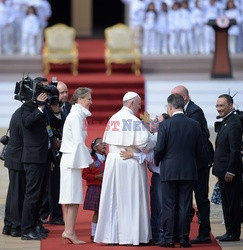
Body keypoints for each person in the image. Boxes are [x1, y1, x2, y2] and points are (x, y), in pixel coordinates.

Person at [94, 91, 155, 246]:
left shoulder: (113, 118)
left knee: (114, 199)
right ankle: (131, 236)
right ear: (132, 103)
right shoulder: (133, 121)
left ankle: (112, 236)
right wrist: (152, 132)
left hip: (114, 162)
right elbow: (145, 145)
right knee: (130, 200)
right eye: (139, 103)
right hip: (130, 163)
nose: (140, 106)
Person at [154, 93, 204, 248]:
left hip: (169, 170)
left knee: (169, 206)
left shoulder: (165, 125)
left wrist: (157, 161)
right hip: (188, 170)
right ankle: (183, 239)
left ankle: (169, 239)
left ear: (170, 107)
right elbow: (200, 150)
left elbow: (159, 149)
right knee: (184, 205)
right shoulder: (194, 124)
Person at [20, 81, 63, 240]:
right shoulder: (27, 107)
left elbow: (57, 124)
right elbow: (27, 123)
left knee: (40, 194)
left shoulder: (46, 109)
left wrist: (57, 110)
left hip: (45, 156)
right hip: (33, 158)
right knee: (32, 194)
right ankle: (26, 229)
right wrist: (39, 107)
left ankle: (37, 223)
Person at [171, 85, 213, 244]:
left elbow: (188, 132)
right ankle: (183, 232)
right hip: (189, 162)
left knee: (201, 198)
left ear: (185, 98)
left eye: (175, 96)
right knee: (186, 199)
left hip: (199, 163)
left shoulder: (195, 111)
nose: (172, 100)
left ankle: (205, 233)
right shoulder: (183, 110)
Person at [120, 113, 170, 245]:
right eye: (153, 120)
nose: (152, 123)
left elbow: (152, 157)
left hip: (161, 176)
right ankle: (156, 234)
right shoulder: (155, 135)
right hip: (157, 176)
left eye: (156, 121)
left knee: (159, 207)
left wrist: (134, 155)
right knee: (155, 206)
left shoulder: (160, 137)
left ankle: (161, 236)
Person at [59, 87, 93, 245]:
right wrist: (90, 163)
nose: (91, 102)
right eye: (89, 99)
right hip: (72, 161)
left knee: (70, 198)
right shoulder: (76, 116)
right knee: (72, 198)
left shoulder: (77, 115)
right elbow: (79, 142)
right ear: (80, 99)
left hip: (71, 160)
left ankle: (69, 230)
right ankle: (69, 231)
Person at [213, 94, 242, 242]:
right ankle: (229, 231)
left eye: (222, 106)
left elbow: (235, 150)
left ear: (230, 105)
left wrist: (231, 170)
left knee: (232, 204)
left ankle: (233, 233)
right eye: (217, 106)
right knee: (226, 204)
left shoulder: (234, 123)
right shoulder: (226, 121)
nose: (219, 109)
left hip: (229, 172)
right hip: (223, 172)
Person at [2, 107, 25, 237]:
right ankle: (15, 225)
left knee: (13, 192)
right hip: (18, 158)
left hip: (14, 157)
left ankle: (9, 225)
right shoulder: (23, 113)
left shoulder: (19, 111)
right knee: (17, 193)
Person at [82, 137, 106, 241]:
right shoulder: (91, 160)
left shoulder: (109, 158)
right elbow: (84, 175)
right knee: (97, 211)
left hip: (106, 188)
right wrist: (96, 177)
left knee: (106, 211)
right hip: (95, 187)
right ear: (95, 148)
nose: (104, 145)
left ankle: (105, 232)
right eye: (101, 144)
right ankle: (93, 233)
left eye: (104, 143)